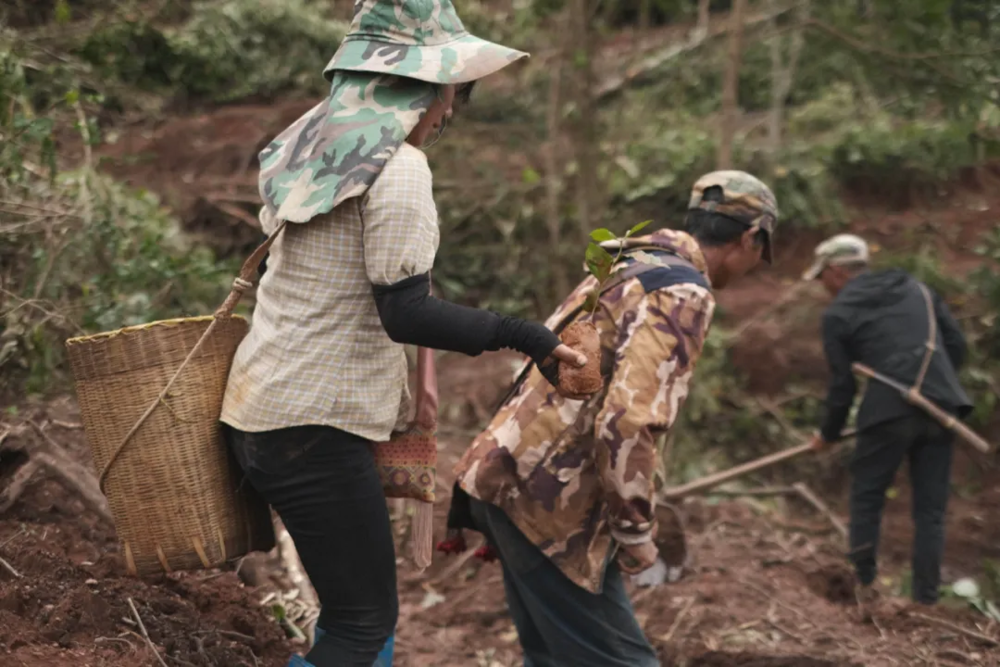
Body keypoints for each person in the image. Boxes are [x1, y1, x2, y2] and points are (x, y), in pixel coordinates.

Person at [218, 2, 586, 666]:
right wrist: (529, 336)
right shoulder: (399, 167)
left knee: (353, 611)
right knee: (365, 621)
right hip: (314, 427)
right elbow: (406, 313)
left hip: (260, 411)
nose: (451, 110)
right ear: (421, 87)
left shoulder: (311, 150)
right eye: (453, 91)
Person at [445, 171, 780, 667]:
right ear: (750, 238)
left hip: (506, 472)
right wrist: (635, 529)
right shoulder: (683, 292)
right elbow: (629, 422)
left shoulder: (631, 264)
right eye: (761, 252)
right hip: (549, 502)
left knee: (553, 656)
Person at [803, 234, 972, 616]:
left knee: (867, 495)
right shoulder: (918, 289)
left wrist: (827, 434)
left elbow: (842, 385)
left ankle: (862, 588)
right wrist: (930, 385)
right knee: (930, 510)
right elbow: (956, 346)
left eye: (822, 279)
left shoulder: (838, 313)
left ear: (836, 272)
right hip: (941, 403)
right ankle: (927, 600)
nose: (824, 288)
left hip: (888, 408)